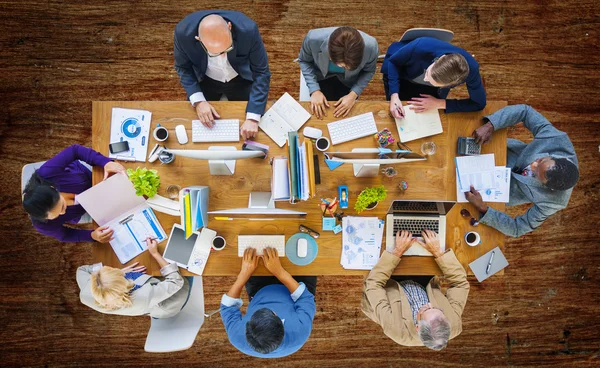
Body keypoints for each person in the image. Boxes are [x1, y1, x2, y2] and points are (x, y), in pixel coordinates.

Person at [466, 104, 579, 237]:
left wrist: (483, 208)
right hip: (499, 152)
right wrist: (491, 125)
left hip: (491, 192)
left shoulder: (555, 202)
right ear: (555, 156)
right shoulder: (558, 140)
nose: (532, 165)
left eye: (536, 174)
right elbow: (525, 112)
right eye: (540, 160)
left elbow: (518, 228)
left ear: (549, 188)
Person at [361, 230, 470, 350]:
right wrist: (438, 252)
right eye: (437, 309)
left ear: (417, 327)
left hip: (387, 286)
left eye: (425, 310)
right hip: (422, 283)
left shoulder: (396, 330)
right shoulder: (453, 324)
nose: (429, 304)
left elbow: (373, 285)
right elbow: (460, 284)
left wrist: (397, 252)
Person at [174, 10, 271, 140]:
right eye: (215, 53)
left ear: (229, 27)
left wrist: (253, 118)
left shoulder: (249, 30)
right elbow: (183, 68)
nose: (223, 56)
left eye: (228, 48)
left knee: (260, 126)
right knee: (193, 125)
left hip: (240, 78)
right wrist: (199, 101)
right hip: (205, 79)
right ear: (199, 40)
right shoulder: (182, 34)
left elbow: (262, 73)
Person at [220, 248, 316, 358]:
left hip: (259, 290)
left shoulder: (236, 337)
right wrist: (279, 272)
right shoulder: (300, 333)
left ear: (247, 328)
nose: (269, 306)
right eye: (273, 313)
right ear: (280, 323)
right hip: (296, 288)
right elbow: (306, 299)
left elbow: (227, 307)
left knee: (251, 257)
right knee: (310, 254)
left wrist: (244, 274)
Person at [22, 144, 125, 243]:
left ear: (53, 188)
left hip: (93, 176)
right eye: (57, 215)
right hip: (95, 205)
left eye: (62, 206)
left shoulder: (47, 173)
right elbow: (65, 235)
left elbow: (75, 150)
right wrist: (92, 235)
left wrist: (105, 162)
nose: (63, 213)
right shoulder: (42, 225)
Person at [76, 238, 190, 318]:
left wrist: (120, 272)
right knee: (183, 269)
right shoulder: (143, 297)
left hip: (145, 300)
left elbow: (81, 270)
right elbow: (176, 281)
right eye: (119, 274)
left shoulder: (86, 291)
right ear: (124, 283)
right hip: (170, 301)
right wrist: (155, 254)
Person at [381, 37, 486, 117]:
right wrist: (394, 95)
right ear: (439, 59)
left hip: (430, 90)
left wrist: (440, 103)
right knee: (396, 110)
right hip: (402, 72)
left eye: (431, 82)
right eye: (427, 74)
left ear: (451, 84)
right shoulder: (421, 45)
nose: (425, 79)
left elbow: (479, 103)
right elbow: (394, 62)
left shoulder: (471, 70)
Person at [298, 26, 379, 119]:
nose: (341, 67)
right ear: (329, 53)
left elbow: (369, 70)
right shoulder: (312, 39)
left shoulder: (371, 47)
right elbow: (304, 61)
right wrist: (314, 90)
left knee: (345, 114)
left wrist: (353, 95)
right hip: (320, 75)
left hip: (349, 81)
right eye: (340, 64)